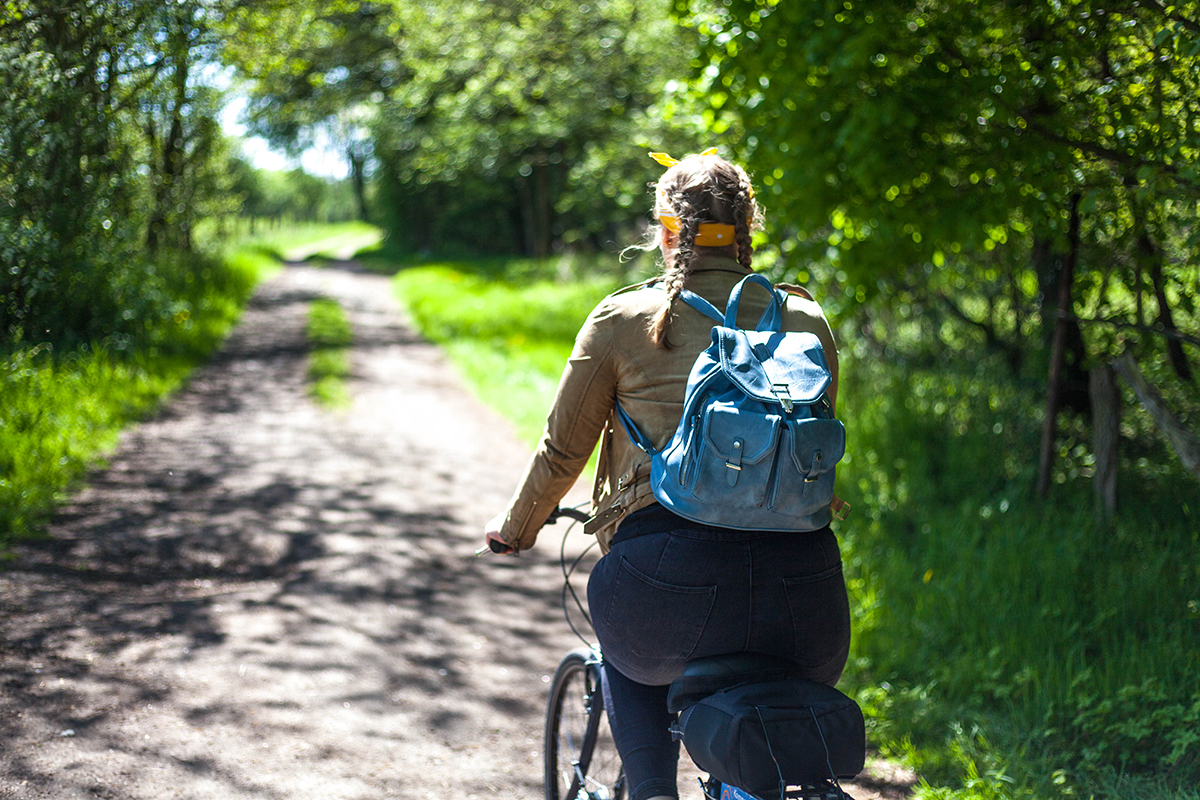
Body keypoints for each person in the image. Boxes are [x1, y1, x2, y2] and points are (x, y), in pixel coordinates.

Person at [483, 149, 851, 800]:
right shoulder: (803, 318)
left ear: (665, 231)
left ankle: (653, 790)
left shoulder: (624, 321)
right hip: (809, 602)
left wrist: (517, 529)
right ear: (746, 230)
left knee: (627, 650)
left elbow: (562, 453)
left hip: (669, 590)